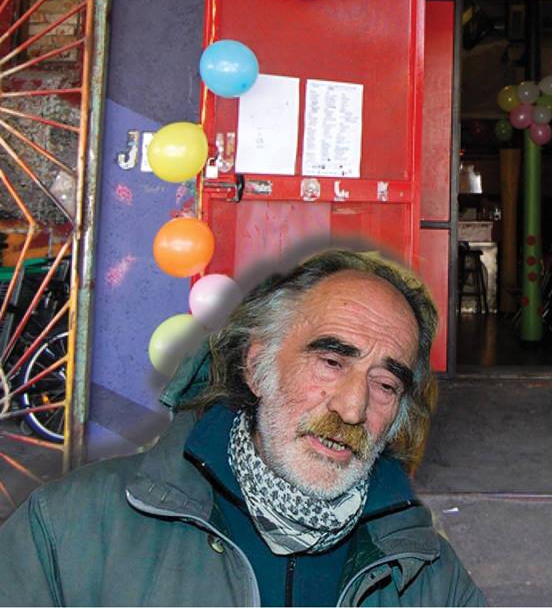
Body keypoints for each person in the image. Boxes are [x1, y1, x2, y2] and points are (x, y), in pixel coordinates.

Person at [0, 248, 485, 607]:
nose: (353, 408)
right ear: (256, 367)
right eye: (331, 362)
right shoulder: (73, 528)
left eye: (385, 385)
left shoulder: (427, 575)